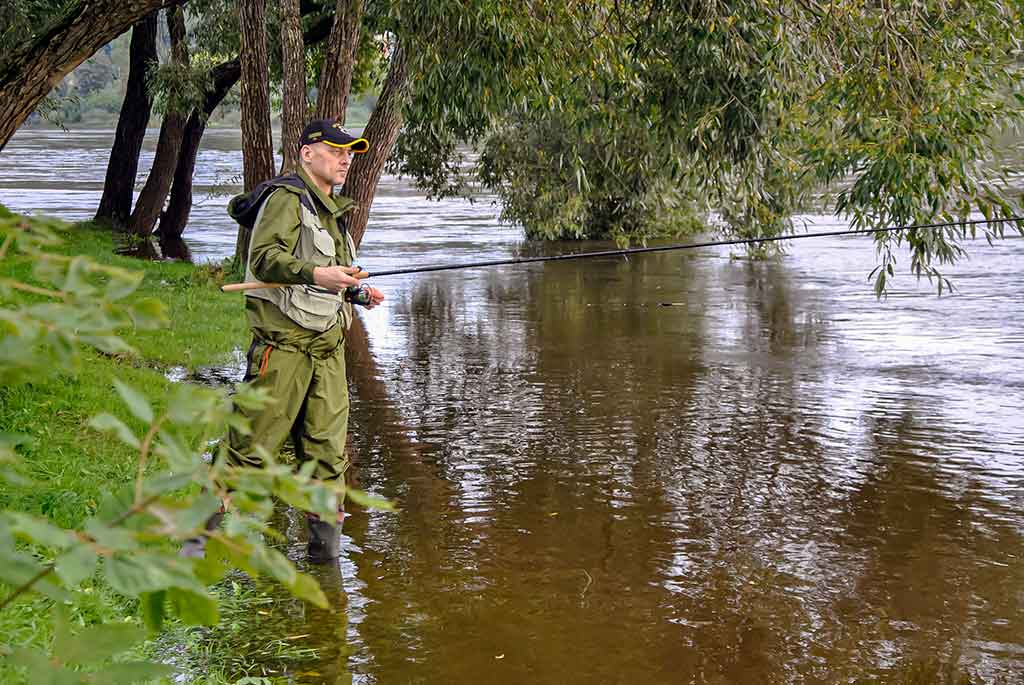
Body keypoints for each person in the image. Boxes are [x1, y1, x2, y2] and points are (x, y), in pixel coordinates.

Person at [183, 119, 384, 562]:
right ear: (307, 153)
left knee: (329, 460)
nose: (345, 159)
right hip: (285, 350)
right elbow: (266, 259)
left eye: (349, 152)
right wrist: (317, 274)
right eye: (336, 150)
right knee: (249, 451)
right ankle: (190, 551)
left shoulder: (334, 212)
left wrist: (356, 291)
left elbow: (330, 275)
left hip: (328, 353)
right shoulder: (285, 200)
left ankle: (325, 571)